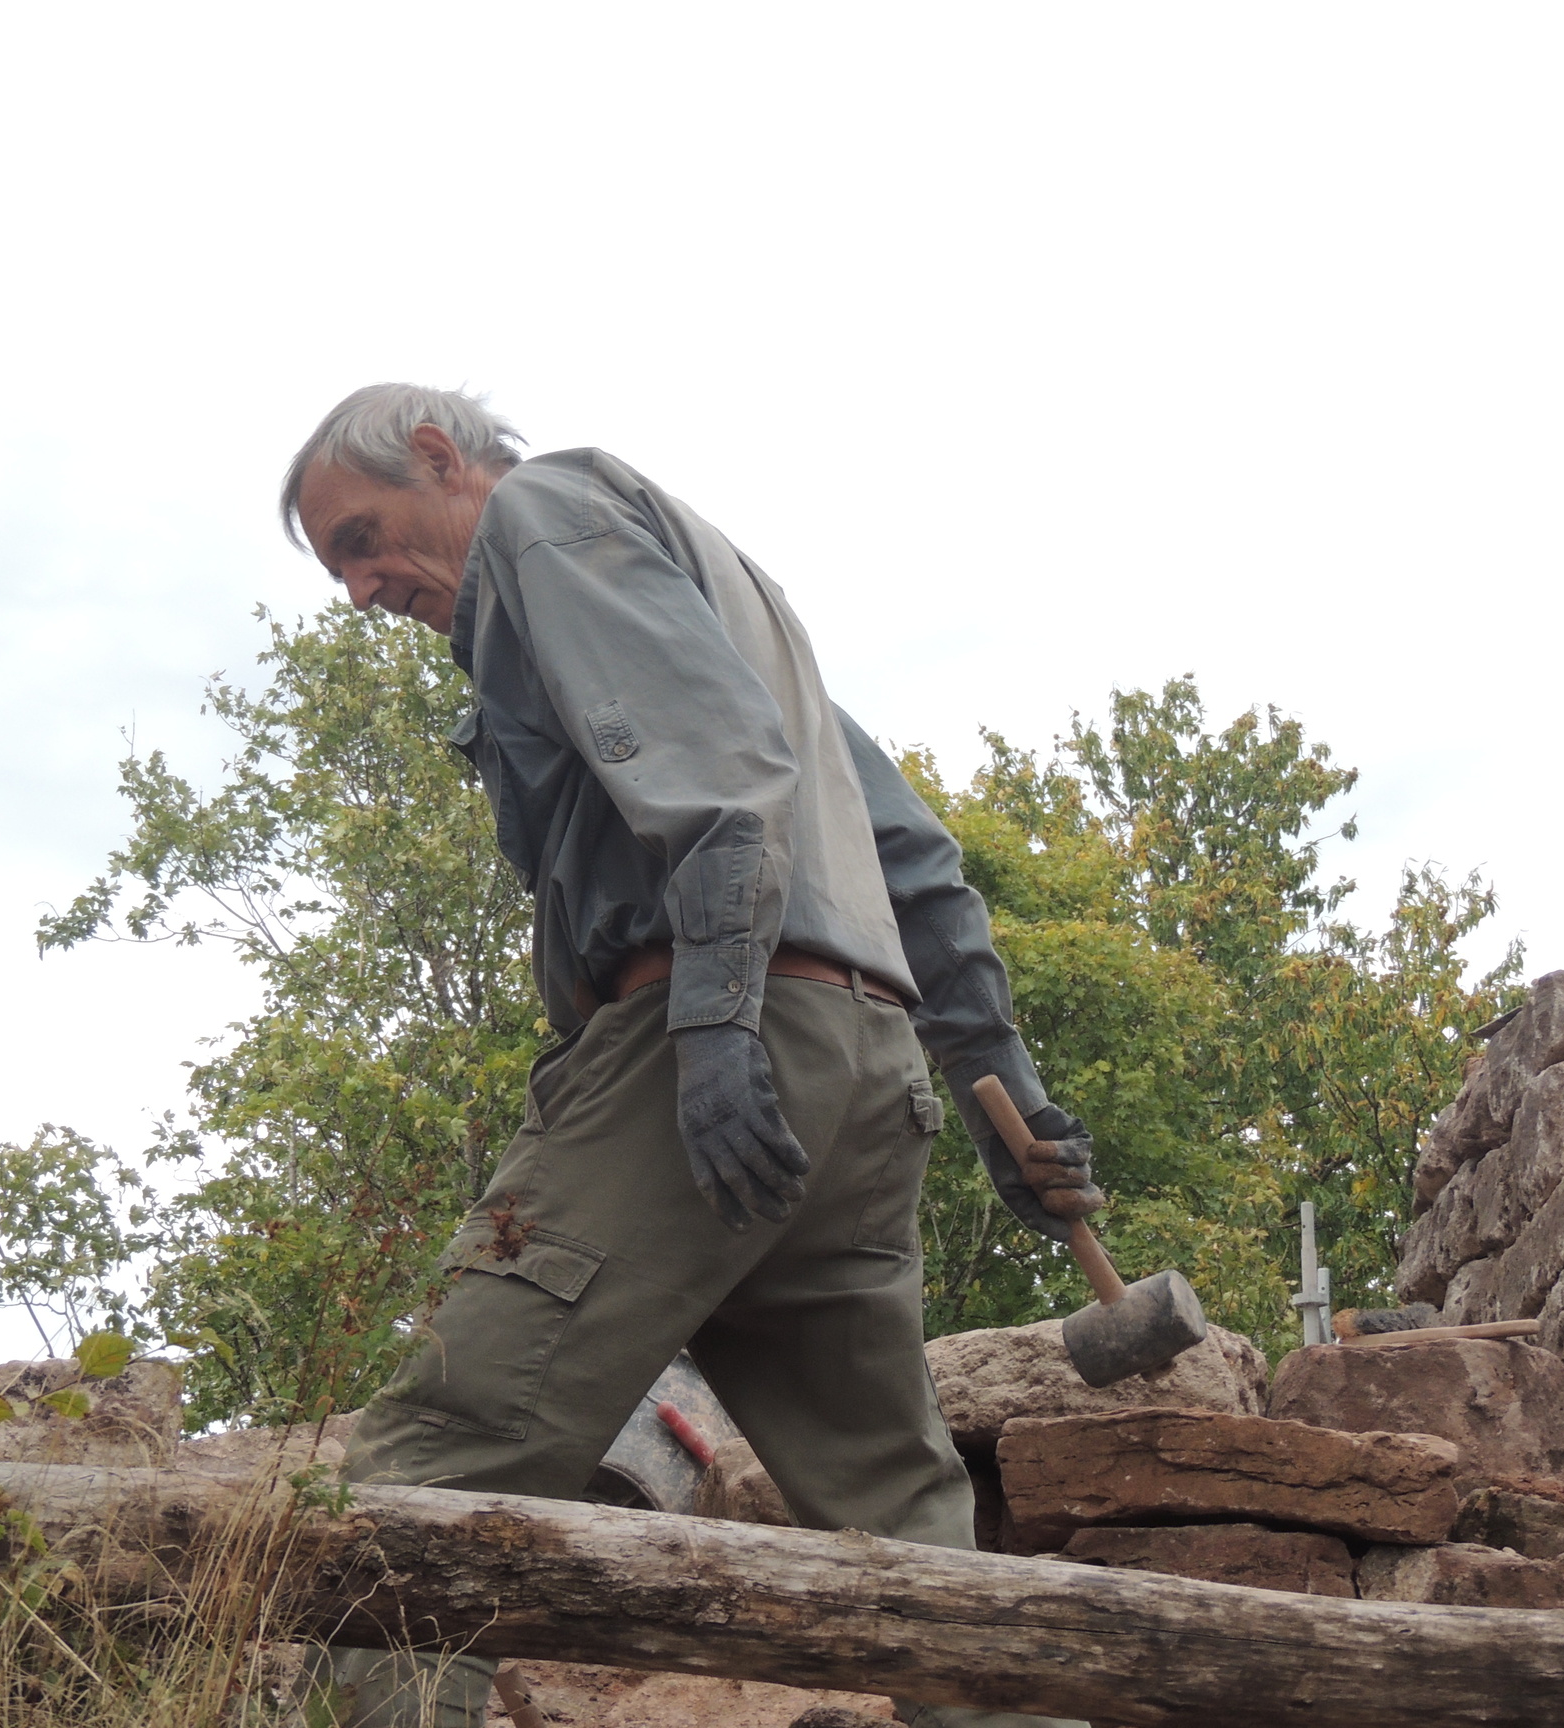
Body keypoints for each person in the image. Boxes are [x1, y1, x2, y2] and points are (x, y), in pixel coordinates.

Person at [285, 384, 1115, 1728]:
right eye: (339, 568)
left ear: (439, 457)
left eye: (362, 540)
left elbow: (722, 782)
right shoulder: (730, 602)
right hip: (860, 1076)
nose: (361, 588)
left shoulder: (543, 516)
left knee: (423, 1479)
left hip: (710, 1058)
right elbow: (915, 861)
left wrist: (718, 1020)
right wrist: (1003, 1099)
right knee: (908, 1542)